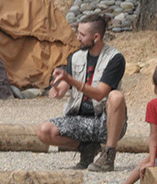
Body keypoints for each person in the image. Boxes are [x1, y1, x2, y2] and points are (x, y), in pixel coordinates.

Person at [36, 14, 127, 172]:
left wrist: (70, 80)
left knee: (116, 97)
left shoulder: (115, 59)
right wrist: (57, 88)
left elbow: (100, 94)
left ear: (96, 37)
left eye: (82, 35)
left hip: (104, 121)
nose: (77, 38)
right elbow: (63, 88)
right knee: (44, 131)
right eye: (78, 33)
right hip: (79, 119)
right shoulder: (75, 57)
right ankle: (87, 148)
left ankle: (108, 154)